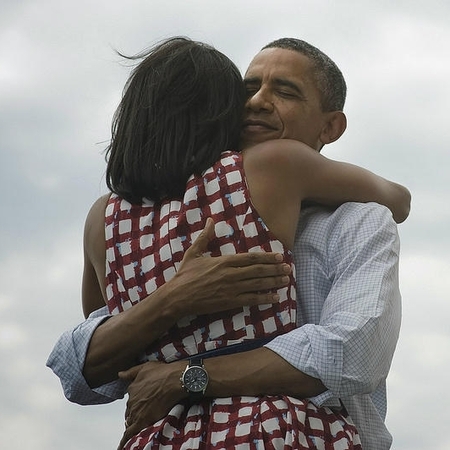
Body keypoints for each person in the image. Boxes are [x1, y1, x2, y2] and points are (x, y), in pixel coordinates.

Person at [47, 37, 410, 450]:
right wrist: (175, 297)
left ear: (330, 126)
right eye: (246, 90)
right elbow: (92, 360)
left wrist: (184, 374)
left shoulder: (106, 219)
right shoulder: (263, 175)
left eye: (284, 91)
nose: (256, 101)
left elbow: (352, 354)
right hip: (276, 429)